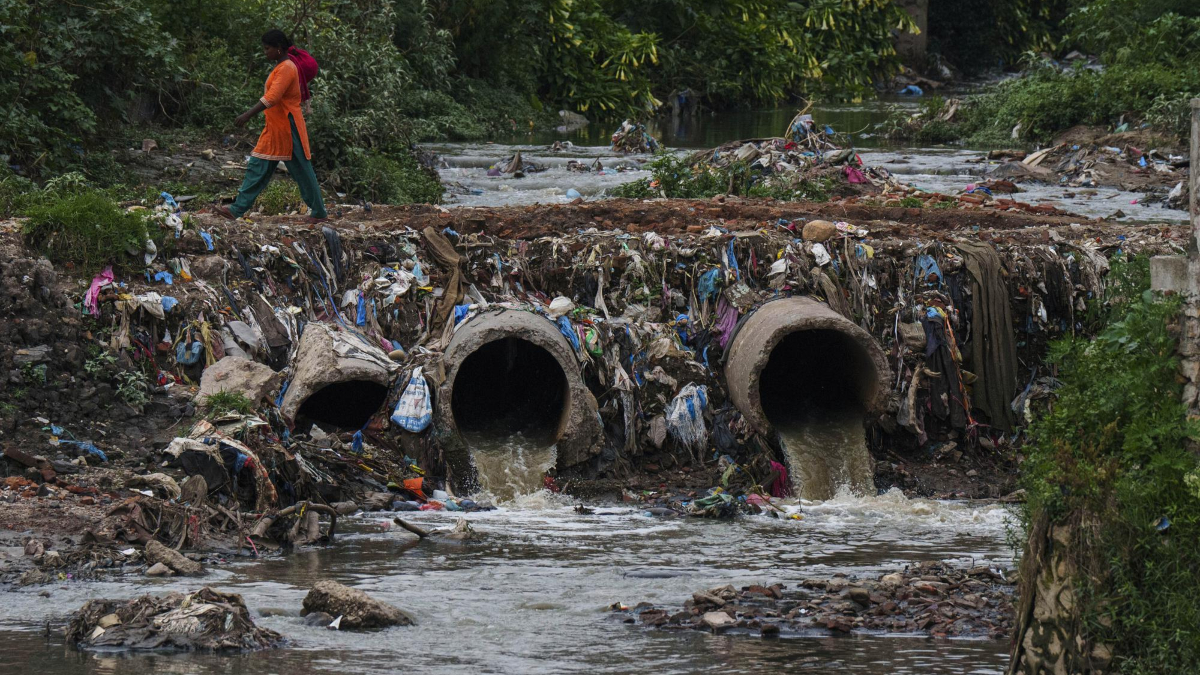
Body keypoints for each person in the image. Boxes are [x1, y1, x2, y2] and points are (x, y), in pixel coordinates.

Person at [215, 30, 326, 223]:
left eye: (267, 49)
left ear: (279, 48)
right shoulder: (282, 66)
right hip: (275, 127)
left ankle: (319, 212)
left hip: (288, 126)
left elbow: (272, 98)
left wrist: (247, 115)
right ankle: (237, 209)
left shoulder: (286, 68)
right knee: (257, 166)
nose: (265, 52)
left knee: (302, 171)